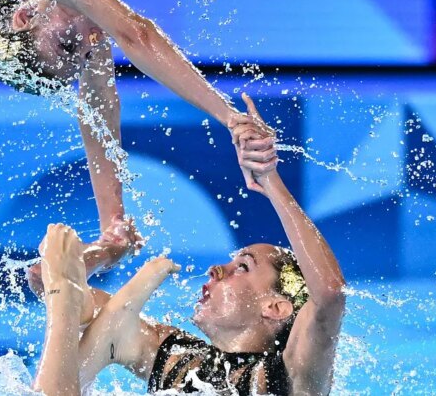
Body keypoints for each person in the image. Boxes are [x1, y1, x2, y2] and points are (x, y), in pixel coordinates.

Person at [0, 0, 266, 280]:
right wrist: (113, 224)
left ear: (25, 15)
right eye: (79, 54)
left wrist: (229, 118)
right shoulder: (71, 12)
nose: (92, 40)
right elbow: (97, 108)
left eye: (68, 44)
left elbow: (136, 34)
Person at [34, 95, 347, 395]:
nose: (215, 270)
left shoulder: (291, 379)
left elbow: (330, 294)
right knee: (89, 309)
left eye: (243, 267)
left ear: (275, 307)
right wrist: (106, 251)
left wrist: (270, 178)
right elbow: (47, 283)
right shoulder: (174, 356)